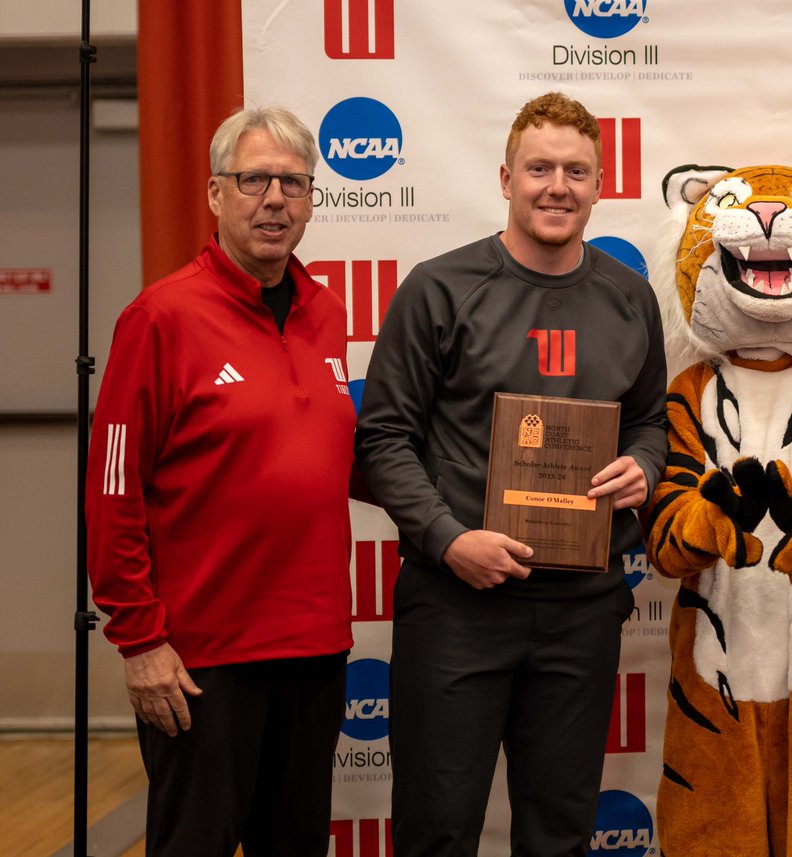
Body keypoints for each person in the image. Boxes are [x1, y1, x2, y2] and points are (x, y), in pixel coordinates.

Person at [355, 91, 668, 857]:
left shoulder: (631, 298)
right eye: (539, 168)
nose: (557, 185)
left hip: (582, 606)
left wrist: (647, 465)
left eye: (575, 170)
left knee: (559, 832)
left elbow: (650, 419)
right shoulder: (439, 287)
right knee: (438, 827)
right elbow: (383, 437)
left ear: (600, 184)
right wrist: (448, 538)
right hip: (457, 602)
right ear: (504, 177)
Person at [86, 106, 355, 856]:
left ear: (310, 199)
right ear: (215, 194)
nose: (275, 199)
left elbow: (346, 455)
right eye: (254, 180)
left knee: (296, 843)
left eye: (294, 183)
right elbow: (112, 490)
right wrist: (139, 641)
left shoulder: (326, 312)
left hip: (313, 646)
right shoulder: (160, 318)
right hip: (202, 660)